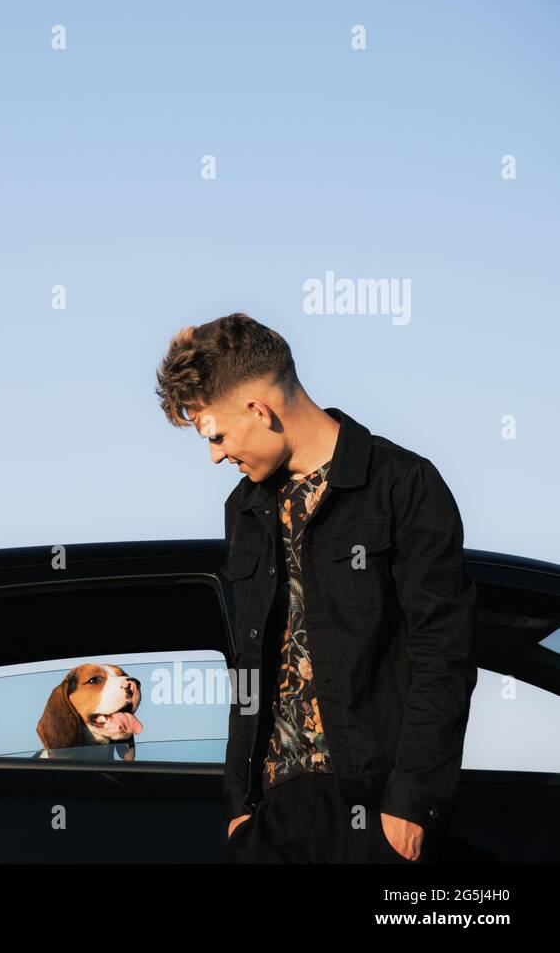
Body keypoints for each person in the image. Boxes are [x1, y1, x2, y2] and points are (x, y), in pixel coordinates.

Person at [154, 313, 478, 863]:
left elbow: (444, 652)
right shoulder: (245, 508)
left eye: (217, 435)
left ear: (260, 409)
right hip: (271, 822)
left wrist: (412, 802)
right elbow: (249, 664)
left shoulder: (401, 485)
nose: (214, 455)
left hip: (374, 814)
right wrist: (239, 804)